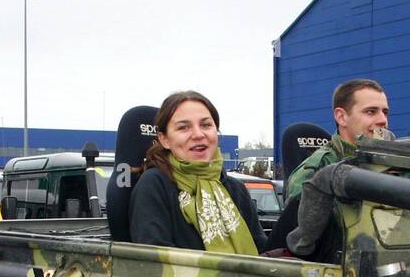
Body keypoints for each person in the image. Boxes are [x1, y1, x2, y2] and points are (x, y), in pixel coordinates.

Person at [129, 91, 266, 254]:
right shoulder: (154, 184)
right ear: (164, 139)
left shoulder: (236, 189)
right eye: (183, 127)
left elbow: (262, 253)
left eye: (206, 125)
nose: (198, 134)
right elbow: (155, 260)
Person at [269, 78, 389, 258]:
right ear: (341, 117)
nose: (382, 120)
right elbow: (299, 244)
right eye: (371, 112)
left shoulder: (390, 164)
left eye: (385, 112)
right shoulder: (316, 172)